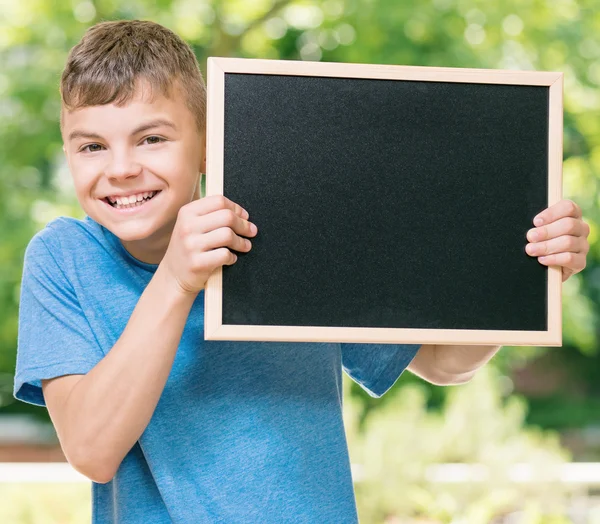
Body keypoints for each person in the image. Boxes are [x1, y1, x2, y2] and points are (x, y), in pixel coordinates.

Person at [13, 19, 590, 524]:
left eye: (152, 138)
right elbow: (91, 449)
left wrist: (531, 275)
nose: (121, 169)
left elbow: (443, 362)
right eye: (91, 147)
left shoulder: (294, 230)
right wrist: (176, 278)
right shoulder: (64, 258)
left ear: (209, 145)